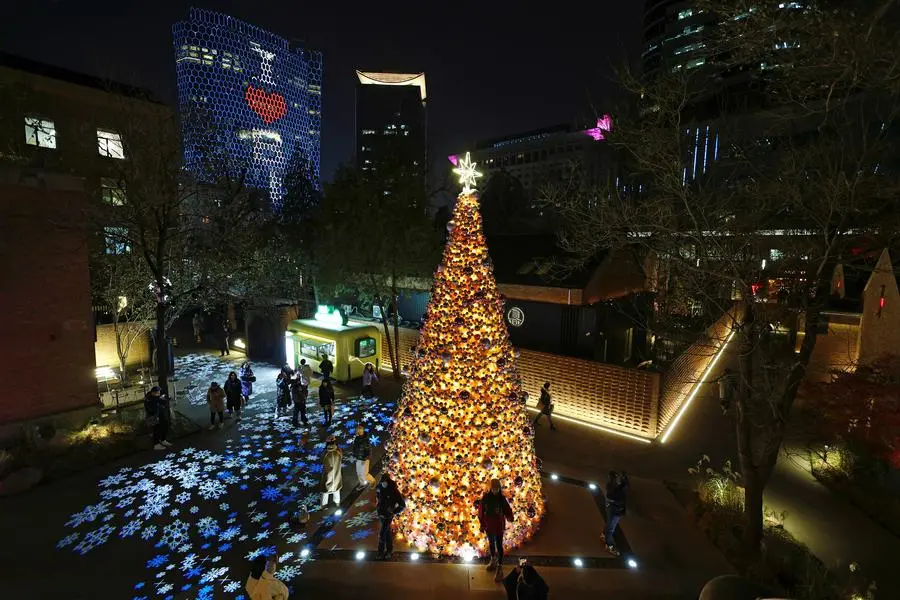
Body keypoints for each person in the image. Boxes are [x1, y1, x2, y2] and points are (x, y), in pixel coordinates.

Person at [478, 478, 514, 581]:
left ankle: (500, 566)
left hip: (498, 526)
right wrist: (482, 524)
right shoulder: (485, 498)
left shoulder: (501, 499)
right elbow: (481, 512)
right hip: (489, 526)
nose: (495, 490)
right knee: (491, 544)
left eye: (497, 488)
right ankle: (493, 559)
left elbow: (507, 509)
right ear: (491, 488)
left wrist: (509, 516)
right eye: (494, 488)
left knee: (499, 545)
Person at [375, 473, 405, 559]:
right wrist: (378, 507)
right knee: (387, 533)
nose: (383, 484)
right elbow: (378, 498)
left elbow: (402, 505)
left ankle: (380, 552)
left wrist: (394, 512)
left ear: (388, 481)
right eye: (382, 482)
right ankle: (389, 550)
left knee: (382, 534)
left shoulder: (394, 491)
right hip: (381, 514)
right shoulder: (379, 488)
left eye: (385, 482)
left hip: (388, 516)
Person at [602, 470, 629, 556]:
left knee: (610, 525)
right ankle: (609, 545)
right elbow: (613, 497)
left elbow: (623, 486)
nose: (617, 480)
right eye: (616, 478)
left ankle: (604, 535)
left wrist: (624, 480)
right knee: (611, 528)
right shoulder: (611, 488)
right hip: (614, 510)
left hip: (616, 509)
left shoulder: (616, 486)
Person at [144, 386, 171, 450]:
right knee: (156, 429)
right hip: (154, 416)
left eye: (159, 392)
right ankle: (156, 445)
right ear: (153, 392)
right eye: (157, 392)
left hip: (161, 414)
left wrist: (164, 399)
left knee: (165, 425)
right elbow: (152, 408)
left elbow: (164, 401)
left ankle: (163, 440)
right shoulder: (149, 398)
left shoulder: (158, 397)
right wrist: (159, 399)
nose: (159, 393)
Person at [321, 435, 343, 508]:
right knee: (336, 490)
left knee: (325, 491)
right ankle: (337, 503)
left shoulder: (325, 453)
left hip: (328, 476)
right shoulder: (339, 452)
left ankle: (324, 505)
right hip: (337, 475)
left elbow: (322, 460)